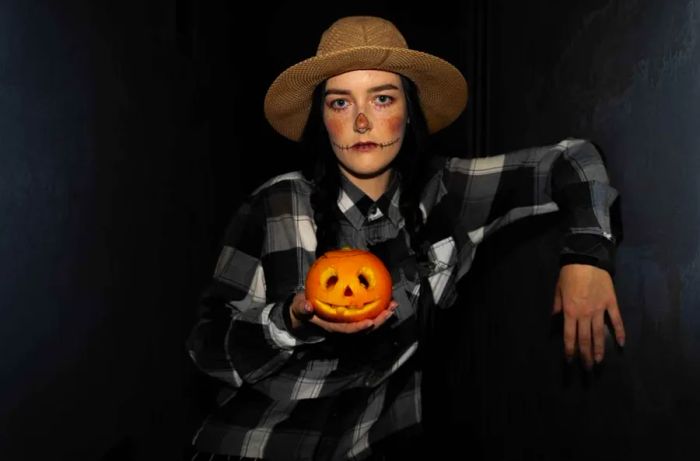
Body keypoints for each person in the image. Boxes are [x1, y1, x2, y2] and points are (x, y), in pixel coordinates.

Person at [186, 15, 626, 461]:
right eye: (340, 103)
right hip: (255, 446)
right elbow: (207, 348)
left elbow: (572, 158)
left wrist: (586, 257)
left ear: (408, 111)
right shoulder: (274, 206)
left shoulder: (447, 195)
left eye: (381, 99)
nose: (361, 122)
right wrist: (290, 321)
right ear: (321, 118)